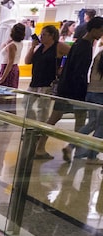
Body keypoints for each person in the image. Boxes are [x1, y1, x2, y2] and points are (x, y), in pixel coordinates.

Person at [35, 16, 103, 161]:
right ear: (95, 29)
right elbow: (80, 72)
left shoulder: (78, 44)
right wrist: (82, 90)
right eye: (101, 30)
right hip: (75, 91)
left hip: (65, 88)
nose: (101, 34)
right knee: (80, 120)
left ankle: (43, 147)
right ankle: (75, 150)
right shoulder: (85, 47)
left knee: (55, 118)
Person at [24, 25, 70, 132]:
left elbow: (72, 54)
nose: (41, 37)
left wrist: (63, 68)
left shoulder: (58, 46)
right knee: (26, 103)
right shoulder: (40, 47)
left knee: (42, 109)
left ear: (51, 36)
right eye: (41, 34)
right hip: (35, 82)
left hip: (47, 82)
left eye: (44, 35)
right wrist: (32, 47)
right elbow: (27, 61)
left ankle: (40, 130)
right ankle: (32, 126)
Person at [71, 48, 103, 164]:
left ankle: (70, 145)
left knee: (92, 123)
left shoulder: (100, 54)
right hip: (101, 94)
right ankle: (92, 156)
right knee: (101, 127)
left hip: (91, 92)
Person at [0, 23, 26, 114]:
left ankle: (2, 114)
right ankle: (5, 114)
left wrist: (2, 78)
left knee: (4, 93)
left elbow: (10, 62)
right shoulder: (18, 43)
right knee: (9, 93)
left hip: (8, 69)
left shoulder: (12, 45)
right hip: (14, 68)